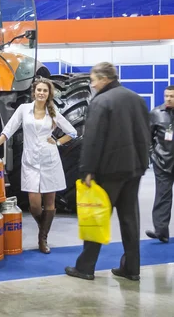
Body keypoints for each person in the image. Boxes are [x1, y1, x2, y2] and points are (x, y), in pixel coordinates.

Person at [65, 62, 150, 282]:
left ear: (104, 79)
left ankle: (85, 267)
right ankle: (131, 268)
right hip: (134, 168)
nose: (92, 85)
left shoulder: (101, 102)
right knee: (130, 219)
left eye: (93, 80)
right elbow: (145, 134)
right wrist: (142, 163)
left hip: (109, 170)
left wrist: (86, 170)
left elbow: (93, 140)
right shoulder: (137, 99)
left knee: (96, 217)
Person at [0, 77, 77, 253]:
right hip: (30, 162)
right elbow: (9, 129)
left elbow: (72, 132)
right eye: (39, 90)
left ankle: (42, 239)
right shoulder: (24, 110)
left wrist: (58, 142)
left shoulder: (53, 112)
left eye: (45, 91)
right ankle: (43, 229)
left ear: (49, 94)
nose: (41, 93)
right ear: (34, 92)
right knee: (34, 204)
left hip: (50, 161)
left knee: (50, 202)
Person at [145, 85, 174, 244]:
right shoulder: (156, 113)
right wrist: (153, 155)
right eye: (166, 96)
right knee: (163, 196)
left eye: (172, 96)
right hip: (162, 162)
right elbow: (148, 138)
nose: (168, 99)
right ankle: (161, 231)